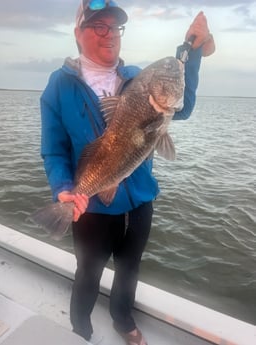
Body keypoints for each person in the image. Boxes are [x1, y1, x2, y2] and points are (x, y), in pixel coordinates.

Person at [40, 1, 215, 344]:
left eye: (115, 27)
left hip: (139, 205)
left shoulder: (138, 78)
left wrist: (191, 54)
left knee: (129, 271)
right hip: (91, 207)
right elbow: (54, 148)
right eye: (98, 26)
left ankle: (123, 321)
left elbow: (183, 105)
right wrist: (63, 188)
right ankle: (81, 329)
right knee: (87, 274)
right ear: (79, 34)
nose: (109, 35)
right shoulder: (59, 86)